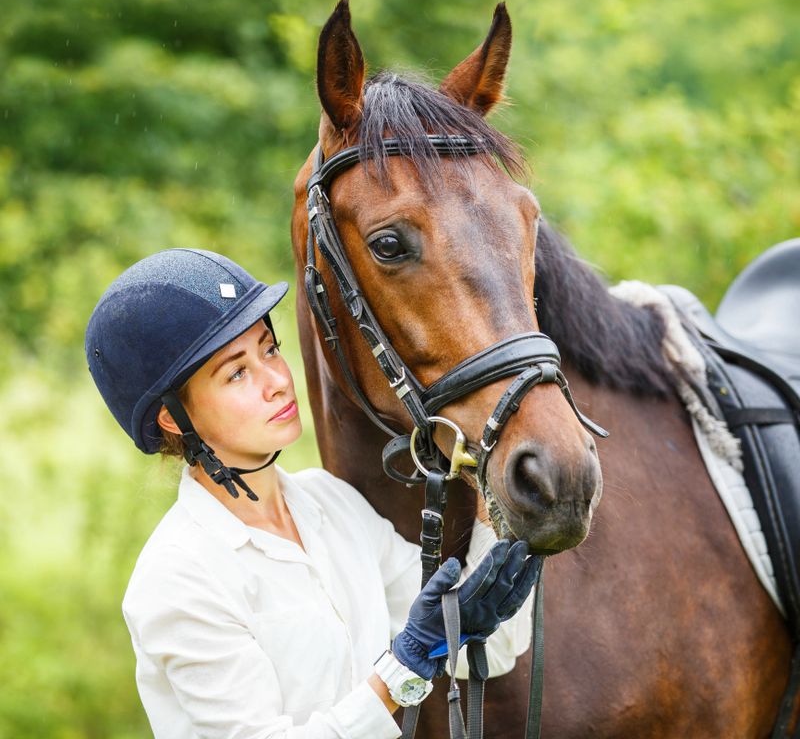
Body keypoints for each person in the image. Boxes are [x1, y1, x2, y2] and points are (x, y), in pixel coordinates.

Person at [86, 248, 539, 739]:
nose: (278, 381)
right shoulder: (178, 578)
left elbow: (487, 652)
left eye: (269, 349)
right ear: (175, 418)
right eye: (237, 373)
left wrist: (500, 500)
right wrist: (405, 665)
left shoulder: (331, 503)